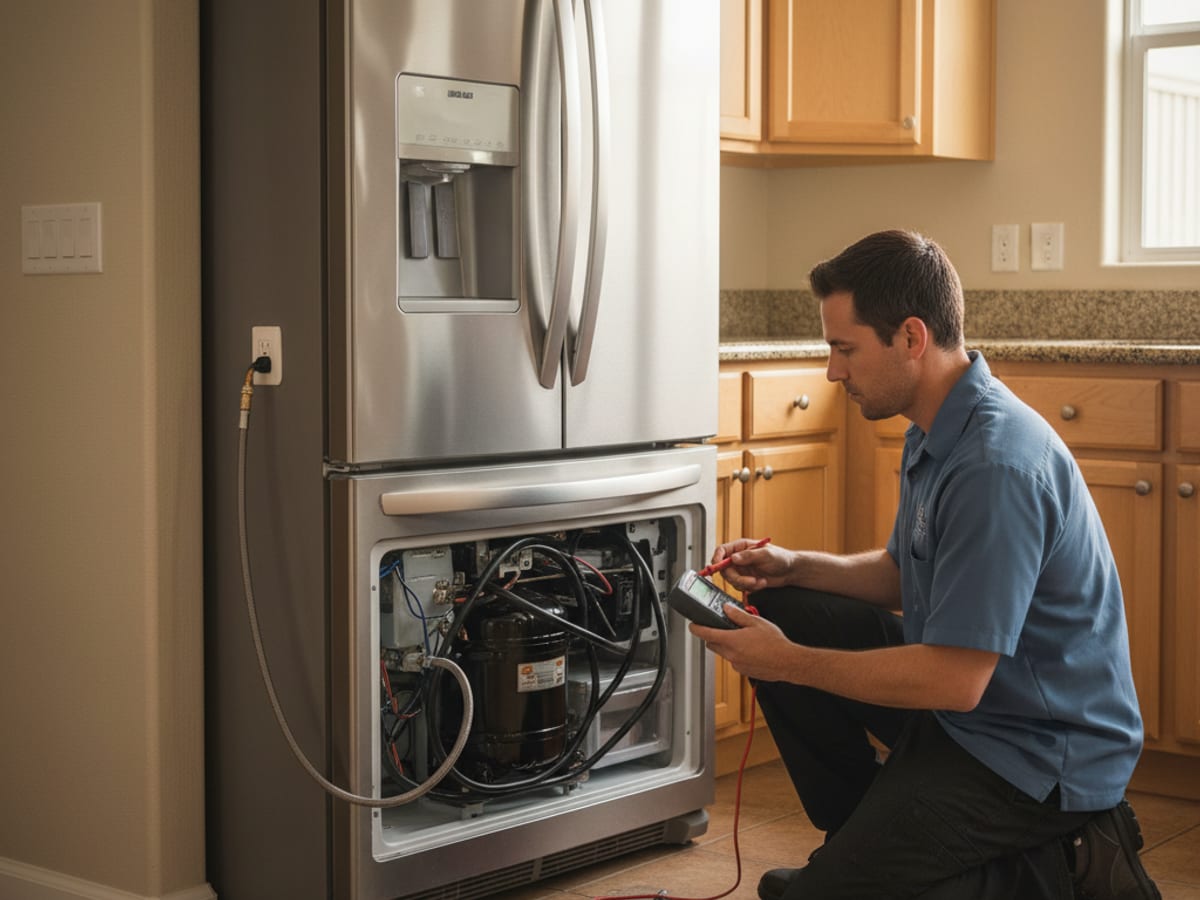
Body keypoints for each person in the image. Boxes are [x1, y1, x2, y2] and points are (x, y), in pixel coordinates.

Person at [695, 230, 1160, 900]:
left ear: (911, 338)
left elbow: (954, 679)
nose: (833, 371)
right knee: (782, 607)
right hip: (979, 714)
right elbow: (899, 574)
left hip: (1037, 752)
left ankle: (1060, 857)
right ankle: (867, 839)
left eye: (844, 348)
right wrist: (793, 567)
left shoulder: (994, 465)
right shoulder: (937, 428)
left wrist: (786, 661)